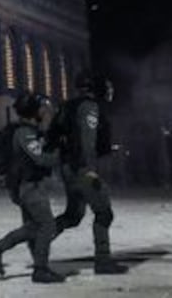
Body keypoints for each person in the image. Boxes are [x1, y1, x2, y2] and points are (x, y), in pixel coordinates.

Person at [0, 92, 66, 284]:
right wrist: (60, 154)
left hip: (25, 185)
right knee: (46, 225)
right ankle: (40, 270)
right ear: (33, 111)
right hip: (29, 186)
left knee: (33, 227)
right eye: (41, 108)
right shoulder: (25, 133)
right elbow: (40, 159)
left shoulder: (27, 130)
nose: (44, 112)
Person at [52, 73, 127, 274]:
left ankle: (39, 237)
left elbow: (53, 136)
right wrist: (90, 170)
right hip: (82, 168)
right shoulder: (89, 107)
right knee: (104, 213)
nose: (109, 92)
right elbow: (87, 140)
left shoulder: (67, 107)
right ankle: (103, 261)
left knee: (73, 216)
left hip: (69, 167)